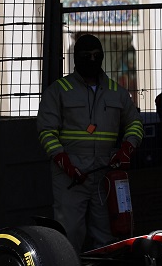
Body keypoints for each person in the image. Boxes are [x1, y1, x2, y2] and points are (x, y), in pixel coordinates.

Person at [37, 33, 144, 252]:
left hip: (106, 172)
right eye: (87, 56)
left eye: (97, 55)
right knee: (69, 233)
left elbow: (136, 124)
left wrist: (126, 149)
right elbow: (46, 131)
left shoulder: (118, 92)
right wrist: (64, 162)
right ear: (76, 58)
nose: (93, 60)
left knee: (107, 235)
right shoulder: (58, 91)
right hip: (70, 174)